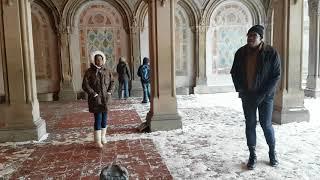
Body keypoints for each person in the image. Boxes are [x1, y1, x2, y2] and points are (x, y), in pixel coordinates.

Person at [230, 25, 281, 170]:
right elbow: (234, 72)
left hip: (266, 96)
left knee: (266, 124)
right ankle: (252, 155)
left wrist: (264, 93)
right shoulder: (241, 52)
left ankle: (272, 152)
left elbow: (276, 75)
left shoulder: (271, 52)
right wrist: (240, 89)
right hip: (248, 96)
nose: (250, 38)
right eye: (249, 35)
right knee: (250, 124)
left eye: (254, 36)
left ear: (261, 38)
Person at [82, 51, 115, 148]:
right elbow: (85, 85)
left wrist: (109, 92)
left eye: (100, 59)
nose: (99, 61)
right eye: (97, 60)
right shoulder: (89, 72)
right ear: (94, 61)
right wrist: (94, 94)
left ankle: (103, 136)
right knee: (98, 119)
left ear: (103, 60)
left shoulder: (107, 71)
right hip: (96, 100)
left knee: (104, 118)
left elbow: (112, 82)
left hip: (106, 99)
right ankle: (97, 140)